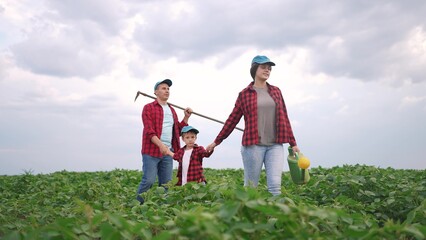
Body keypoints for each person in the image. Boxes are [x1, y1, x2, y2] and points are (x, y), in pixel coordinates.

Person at [206, 55, 300, 196]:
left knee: (275, 186)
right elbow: (232, 120)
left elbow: (284, 117)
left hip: (275, 145)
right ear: (254, 69)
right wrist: (216, 142)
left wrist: (293, 143)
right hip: (253, 146)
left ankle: (275, 217)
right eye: (263, 67)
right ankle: (248, 215)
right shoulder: (244, 94)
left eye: (269, 68)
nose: (267, 70)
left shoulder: (276, 91)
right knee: (251, 186)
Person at [136, 79, 193, 204]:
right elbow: (149, 131)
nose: (166, 91)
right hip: (151, 151)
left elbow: (178, 130)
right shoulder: (148, 108)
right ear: (156, 92)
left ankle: (162, 209)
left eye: (168, 89)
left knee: (166, 184)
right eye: (163, 88)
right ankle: (138, 205)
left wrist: (186, 117)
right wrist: (161, 145)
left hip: (168, 151)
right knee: (148, 181)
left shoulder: (171, 110)